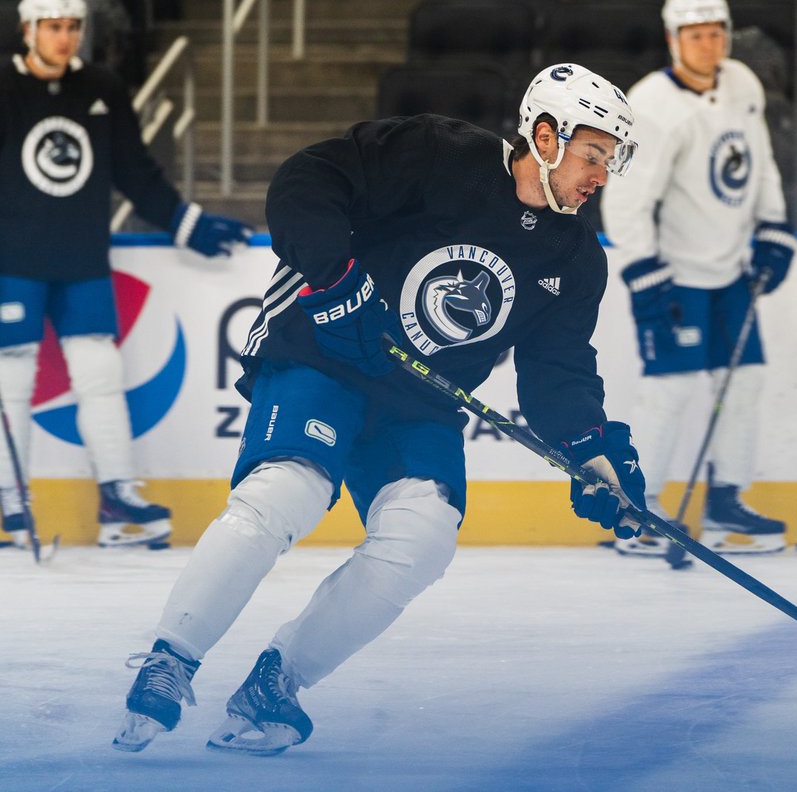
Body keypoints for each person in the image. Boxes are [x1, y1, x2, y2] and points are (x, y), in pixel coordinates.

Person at [112, 62, 646, 755]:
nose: (601, 176)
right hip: (323, 355)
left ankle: (279, 680)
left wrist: (593, 450)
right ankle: (171, 659)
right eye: (594, 155)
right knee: (286, 493)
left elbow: (558, 371)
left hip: (416, 400)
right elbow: (307, 181)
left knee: (423, 538)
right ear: (545, 135)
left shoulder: (575, 259)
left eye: (612, 161)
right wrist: (336, 282)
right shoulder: (438, 153)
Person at [0, 0, 252, 549]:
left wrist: (186, 223)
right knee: (11, 377)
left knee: (101, 375)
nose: (63, 36)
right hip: (13, 260)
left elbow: (136, 171)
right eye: (52, 26)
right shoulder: (4, 87)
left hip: (82, 257)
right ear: (27, 30)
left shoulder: (103, 89)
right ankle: (10, 504)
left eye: (72, 26)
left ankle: (118, 501)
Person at [600, 0, 797, 556]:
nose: (708, 45)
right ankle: (636, 512)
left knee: (745, 382)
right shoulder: (653, 104)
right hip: (675, 275)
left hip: (732, 272)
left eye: (716, 33)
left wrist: (775, 227)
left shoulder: (742, 84)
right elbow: (627, 199)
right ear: (673, 40)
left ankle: (724, 504)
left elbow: (760, 162)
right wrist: (642, 267)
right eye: (695, 36)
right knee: (671, 388)